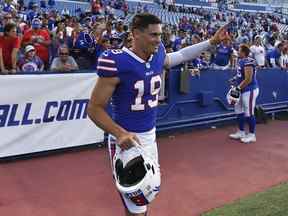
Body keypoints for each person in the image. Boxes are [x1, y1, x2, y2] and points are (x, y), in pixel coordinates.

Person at [87, 13, 228, 216]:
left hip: (150, 137)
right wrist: (119, 133)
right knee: (137, 206)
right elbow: (94, 108)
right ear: (136, 34)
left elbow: (177, 57)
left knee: (147, 196)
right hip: (127, 142)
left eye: (160, 35)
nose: (158, 39)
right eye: (153, 35)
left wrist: (211, 42)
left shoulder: (158, 53)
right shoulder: (116, 61)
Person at [229, 44, 259, 144]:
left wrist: (237, 88)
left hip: (249, 90)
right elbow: (240, 75)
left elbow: (248, 79)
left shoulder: (249, 61)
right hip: (241, 89)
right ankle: (241, 131)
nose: (238, 51)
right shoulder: (241, 61)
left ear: (244, 52)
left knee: (249, 112)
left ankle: (252, 134)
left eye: (239, 50)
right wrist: (234, 79)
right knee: (238, 110)